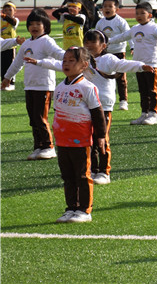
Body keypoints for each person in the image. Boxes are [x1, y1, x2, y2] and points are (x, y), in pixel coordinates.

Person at [25, 30, 149, 185]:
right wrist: (39, 62)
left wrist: (141, 66)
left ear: (103, 45)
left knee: (101, 139)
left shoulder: (108, 59)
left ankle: (104, 172)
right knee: (88, 140)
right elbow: (58, 64)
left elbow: (123, 64)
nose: (88, 45)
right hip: (84, 107)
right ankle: (93, 170)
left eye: (93, 42)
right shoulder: (82, 61)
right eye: (86, 42)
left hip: (103, 106)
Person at [50, 47, 107, 224]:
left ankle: (84, 210)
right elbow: (56, 112)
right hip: (62, 140)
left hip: (80, 140)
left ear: (84, 65)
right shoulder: (59, 88)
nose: (66, 64)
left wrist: (101, 136)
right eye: (64, 60)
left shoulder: (87, 87)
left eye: (71, 60)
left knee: (82, 175)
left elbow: (98, 114)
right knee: (67, 176)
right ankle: (71, 208)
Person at [1, 8, 63, 159]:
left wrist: (72, 56)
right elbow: (17, 63)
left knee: (40, 117)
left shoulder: (47, 41)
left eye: (38, 24)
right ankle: (38, 147)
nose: (34, 27)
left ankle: (48, 147)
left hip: (44, 86)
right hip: (29, 86)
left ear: (45, 26)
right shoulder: (27, 43)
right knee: (33, 119)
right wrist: (7, 77)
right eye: (31, 24)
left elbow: (59, 53)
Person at [107, 2, 157, 126]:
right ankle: (144, 113)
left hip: (151, 64)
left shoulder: (155, 27)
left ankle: (153, 114)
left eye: (142, 13)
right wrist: (108, 41)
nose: (139, 16)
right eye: (137, 13)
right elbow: (122, 37)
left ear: (150, 15)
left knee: (152, 90)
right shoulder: (135, 28)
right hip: (138, 65)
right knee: (143, 90)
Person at [95, 0, 131, 111]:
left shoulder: (121, 21)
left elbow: (129, 34)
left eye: (110, 6)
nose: (107, 8)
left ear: (117, 9)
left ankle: (123, 101)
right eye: (105, 6)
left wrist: (133, 46)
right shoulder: (100, 22)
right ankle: (102, 99)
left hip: (118, 52)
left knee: (120, 77)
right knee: (103, 76)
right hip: (105, 53)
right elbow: (96, 37)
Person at [2, 1, 20, 91]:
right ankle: (3, 82)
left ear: (14, 11)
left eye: (10, 10)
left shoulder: (15, 20)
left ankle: (11, 83)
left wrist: (4, 16)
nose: (7, 12)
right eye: (5, 10)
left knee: (11, 65)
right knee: (2, 65)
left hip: (11, 46)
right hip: (2, 46)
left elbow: (13, 22)